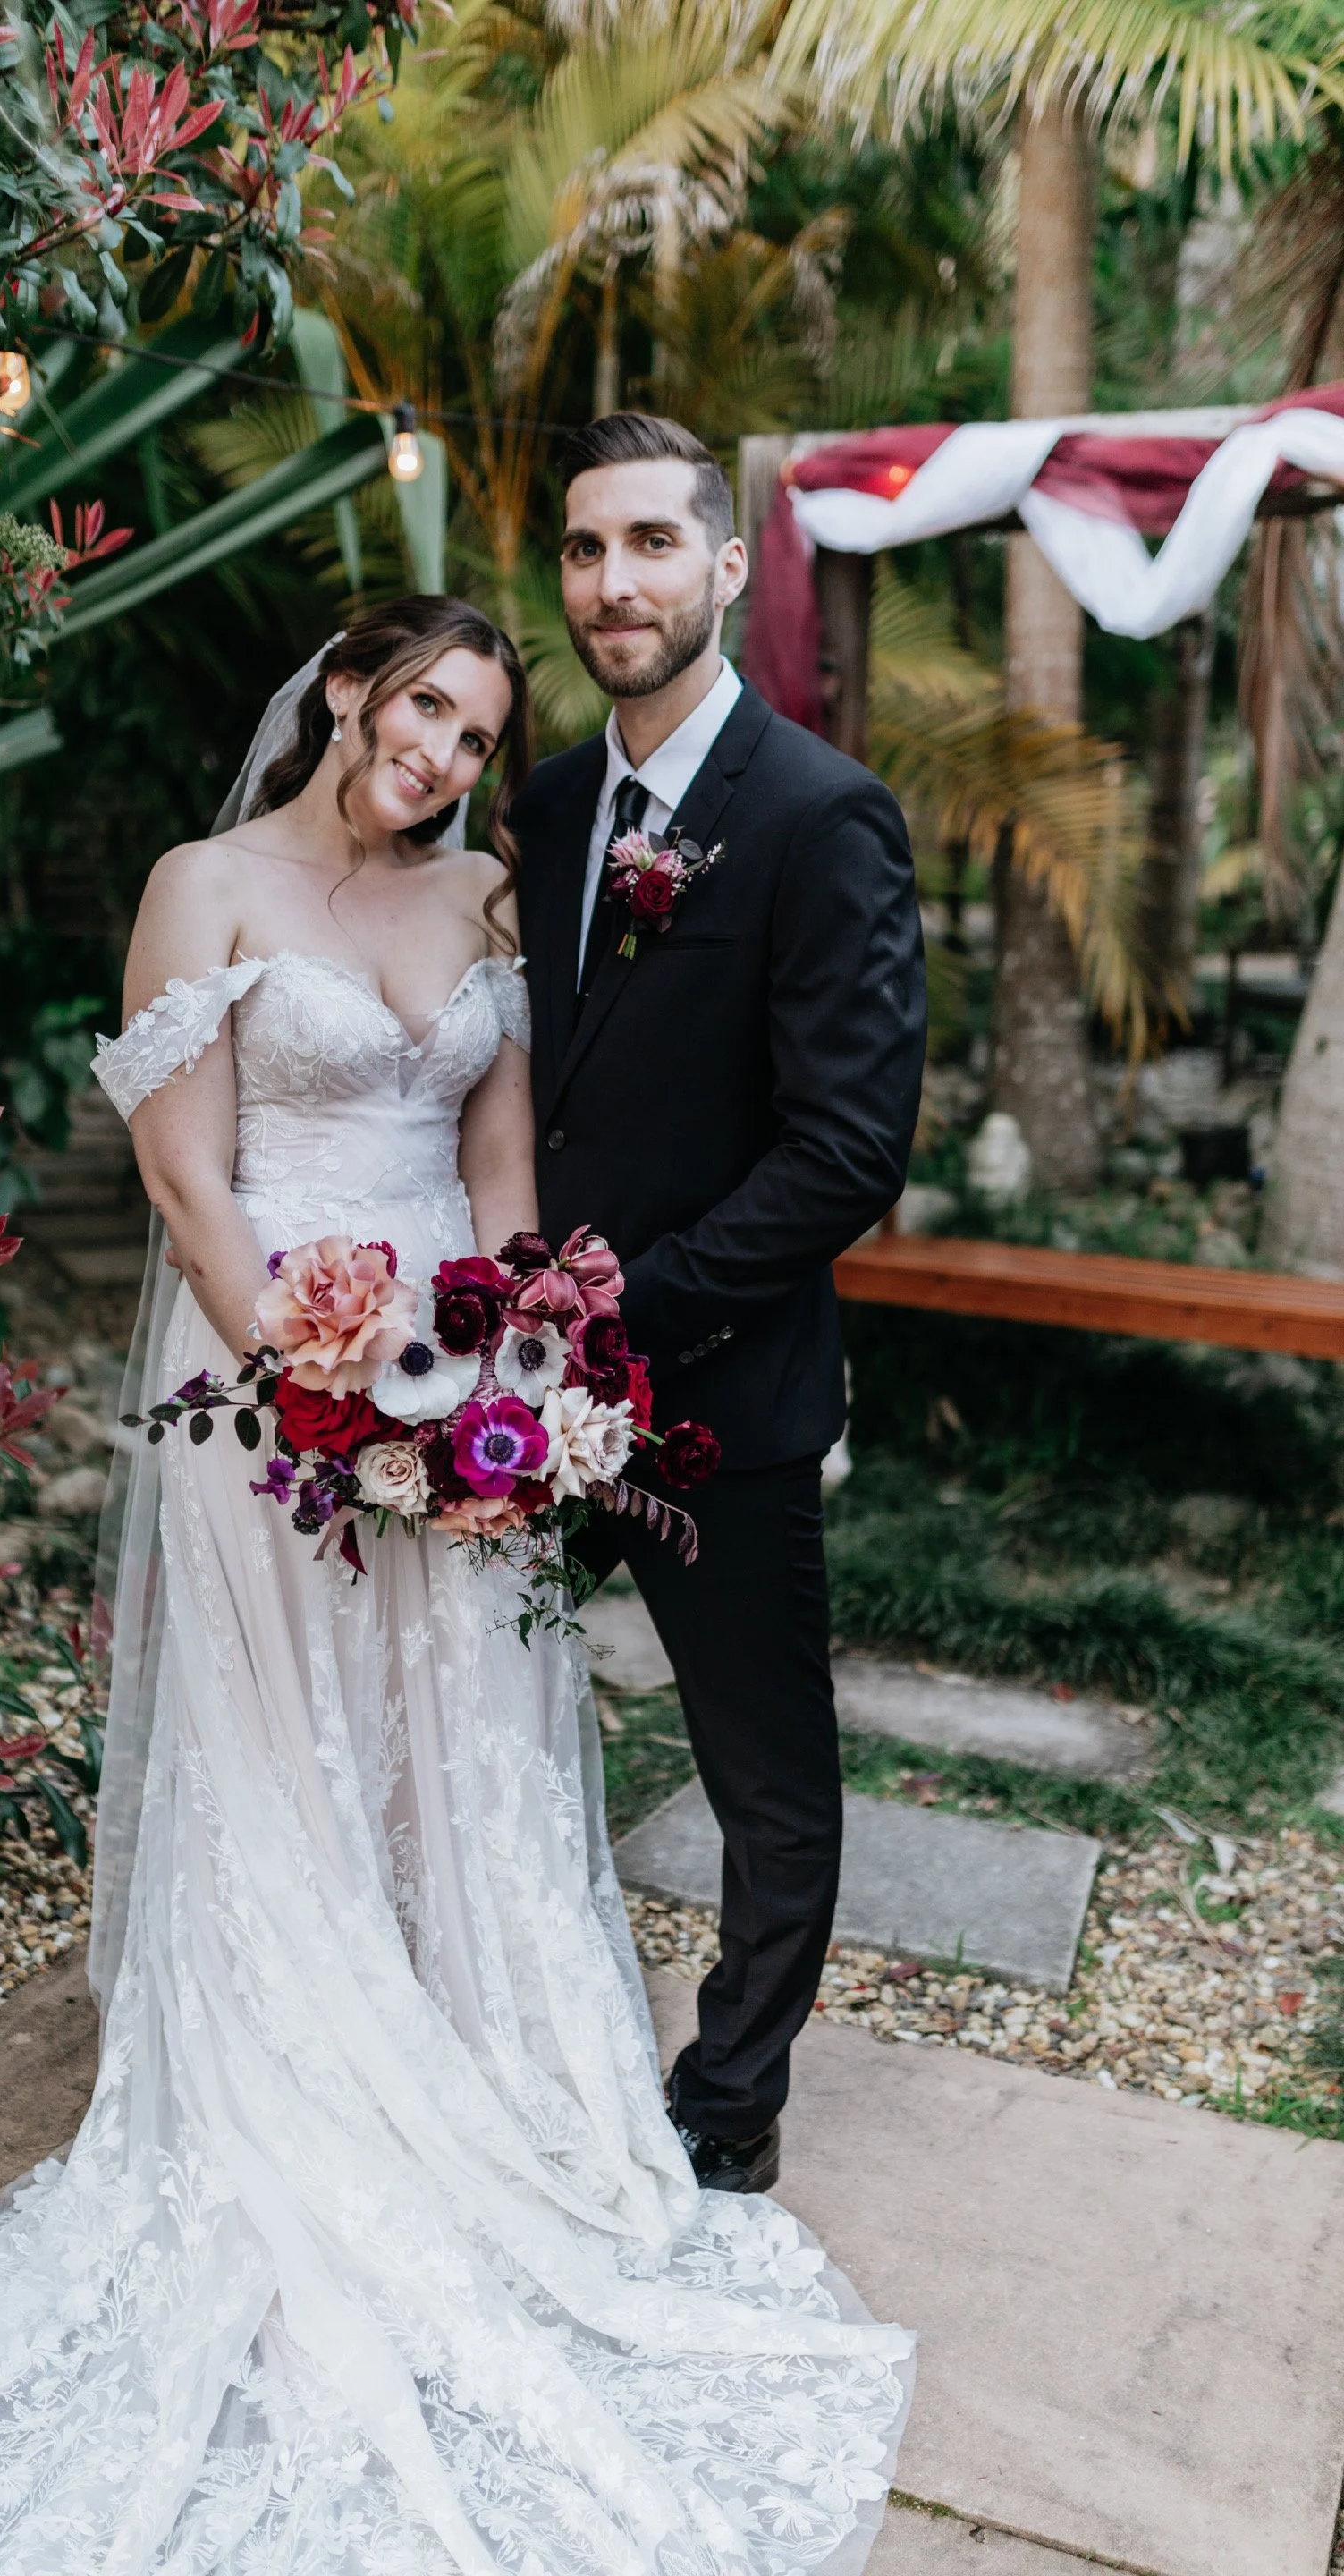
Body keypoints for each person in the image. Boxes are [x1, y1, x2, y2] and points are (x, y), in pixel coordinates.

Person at [0, 595, 913, 2576]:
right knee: (291, 1751)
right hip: (272, 1388)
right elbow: (190, 1183)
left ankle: (470, 2079)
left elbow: (502, 1166)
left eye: (474, 730)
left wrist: (511, 1372)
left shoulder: (487, 903)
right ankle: (296, 2097)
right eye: (422, 706)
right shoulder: (204, 883)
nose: (439, 753)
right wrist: (331, 1392)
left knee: (448, 1747)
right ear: (352, 688)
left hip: (449, 1368)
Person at [515, 415, 927, 2191]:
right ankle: (502, 2021)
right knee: (471, 1716)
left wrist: (631, 1316)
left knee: (764, 1781)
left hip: (717, 1400)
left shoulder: (825, 818)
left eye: (653, 546)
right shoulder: (540, 809)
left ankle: (727, 2103)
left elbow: (848, 1151)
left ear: (727, 564)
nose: (618, 583)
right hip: (516, 1399)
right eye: (589, 550)